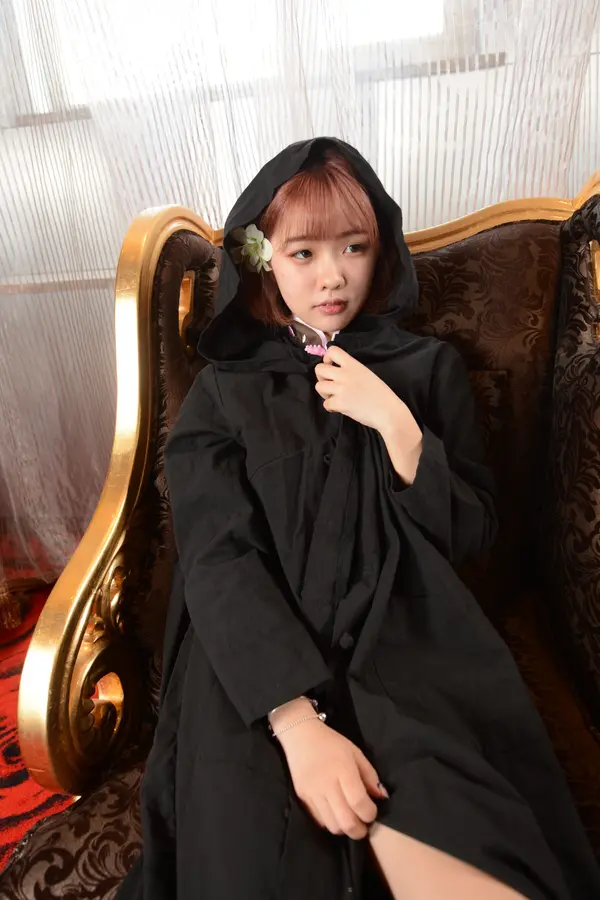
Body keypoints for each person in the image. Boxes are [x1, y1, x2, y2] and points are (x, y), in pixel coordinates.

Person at [117, 138, 600, 900]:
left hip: (404, 641)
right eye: (303, 253)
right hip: (252, 663)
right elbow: (217, 556)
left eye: (354, 247)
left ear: (383, 251)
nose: (333, 275)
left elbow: (472, 538)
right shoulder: (224, 394)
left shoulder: (428, 368)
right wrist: (296, 723)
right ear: (263, 260)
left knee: (465, 840)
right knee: (262, 858)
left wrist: (398, 427)